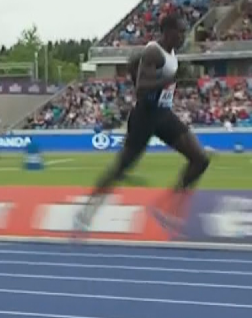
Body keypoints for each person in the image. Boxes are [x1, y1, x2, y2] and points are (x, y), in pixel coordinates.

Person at [77, 13, 210, 235]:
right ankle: (86, 212)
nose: (183, 36)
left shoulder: (171, 53)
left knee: (200, 160)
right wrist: (170, 80)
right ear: (167, 31)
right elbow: (141, 88)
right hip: (145, 116)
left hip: (164, 114)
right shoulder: (153, 52)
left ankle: (168, 210)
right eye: (180, 31)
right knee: (122, 167)